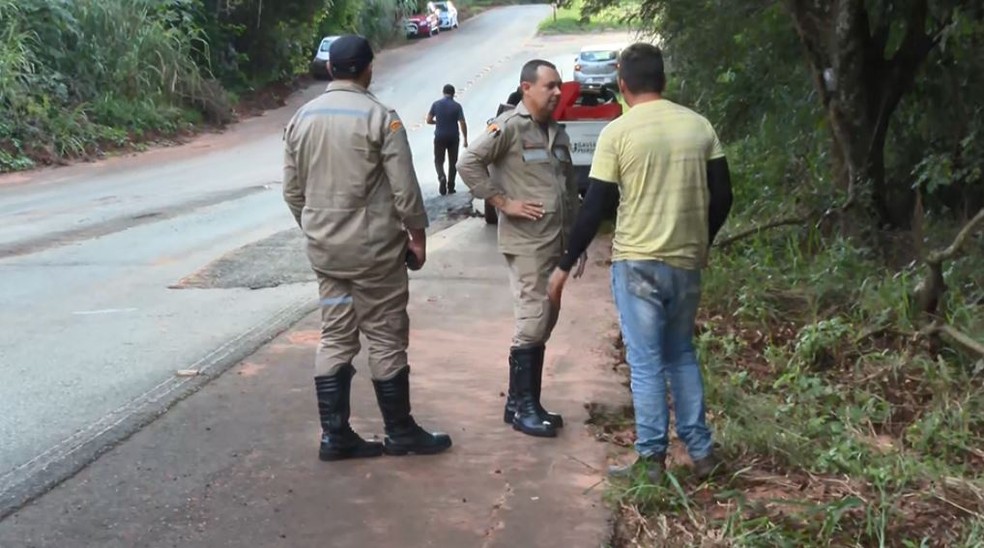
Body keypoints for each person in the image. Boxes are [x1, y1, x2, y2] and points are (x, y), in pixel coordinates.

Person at [547, 42, 734, 482]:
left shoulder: (619, 132)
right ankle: (701, 452)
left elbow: (595, 204)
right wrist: (700, 239)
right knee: (682, 354)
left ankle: (651, 459)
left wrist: (565, 261)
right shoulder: (699, 126)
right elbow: (724, 195)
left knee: (647, 362)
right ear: (664, 81)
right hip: (685, 261)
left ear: (623, 86)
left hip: (636, 263)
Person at [282, 34, 452, 461]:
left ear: (331, 69)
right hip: (375, 254)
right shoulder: (380, 118)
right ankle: (400, 432)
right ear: (367, 69)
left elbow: (292, 192)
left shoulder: (300, 118)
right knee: (385, 333)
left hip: (327, 254)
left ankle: (335, 436)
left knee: (336, 335)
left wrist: (318, 227)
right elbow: (405, 189)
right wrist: (416, 236)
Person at [457, 59, 585, 438]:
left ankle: (523, 403)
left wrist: (577, 242)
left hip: (557, 242)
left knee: (546, 320)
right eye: (550, 86)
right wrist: (502, 202)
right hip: (528, 243)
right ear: (526, 88)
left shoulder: (557, 133)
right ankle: (523, 407)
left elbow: (568, 190)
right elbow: (468, 163)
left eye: (559, 85)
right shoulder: (509, 128)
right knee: (532, 321)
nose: (558, 92)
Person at [427, 84, 468, 195]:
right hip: (453, 137)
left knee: (438, 160)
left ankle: (441, 177)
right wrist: (465, 139)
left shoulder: (436, 104)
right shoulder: (457, 106)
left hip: (440, 136)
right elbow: (462, 122)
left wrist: (438, 122)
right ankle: (451, 186)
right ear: (453, 94)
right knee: (453, 162)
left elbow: (428, 120)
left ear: (443, 92)